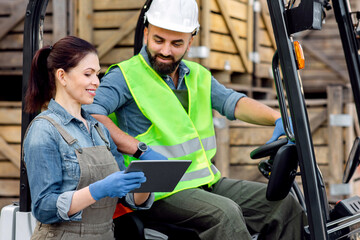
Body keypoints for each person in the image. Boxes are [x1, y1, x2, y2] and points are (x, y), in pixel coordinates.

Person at [83, 0, 306, 239]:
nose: (166, 50)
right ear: (146, 33)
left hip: (206, 181)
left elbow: (234, 103)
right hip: (158, 192)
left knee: (284, 205)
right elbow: (90, 113)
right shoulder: (124, 76)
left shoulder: (198, 75)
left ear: (191, 40)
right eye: (159, 40)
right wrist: (138, 149)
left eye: (177, 43)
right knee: (225, 215)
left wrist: (278, 118)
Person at [23, 36, 154, 240]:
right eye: (88, 74)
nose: (96, 82)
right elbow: (43, 208)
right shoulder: (44, 130)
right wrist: (97, 190)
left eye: (97, 74)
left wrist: (146, 183)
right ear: (62, 76)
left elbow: (127, 199)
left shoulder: (100, 130)